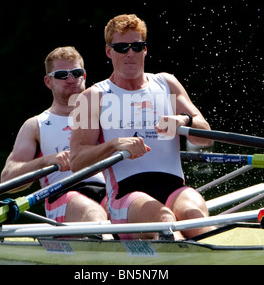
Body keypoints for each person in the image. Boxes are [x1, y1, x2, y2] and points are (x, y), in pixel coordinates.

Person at [69, 14, 213, 240]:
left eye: (137, 46)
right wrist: (115, 145)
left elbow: (205, 138)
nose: (130, 53)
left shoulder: (167, 83)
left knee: (198, 223)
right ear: (109, 51)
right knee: (164, 220)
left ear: (145, 49)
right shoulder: (92, 97)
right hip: (125, 196)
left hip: (174, 189)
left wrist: (183, 120)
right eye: (122, 47)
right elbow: (76, 161)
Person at [1, 46, 109, 226]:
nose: (71, 79)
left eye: (76, 72)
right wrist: (46, 161)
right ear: (48, 82)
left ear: (84, 76)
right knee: (93, 213)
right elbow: (7, 179)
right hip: (62, 194)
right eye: (61, 75)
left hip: (108, 191)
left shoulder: (106, 116)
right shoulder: (36, 125)